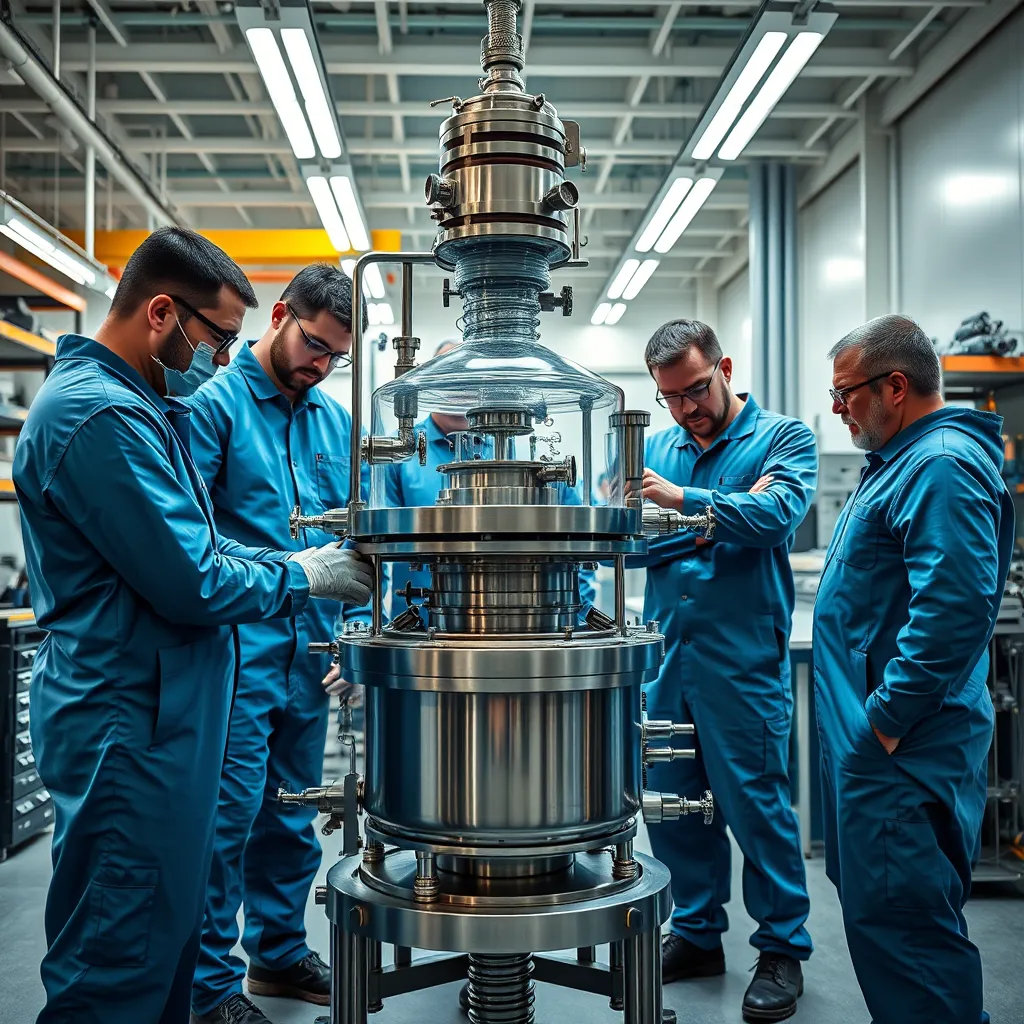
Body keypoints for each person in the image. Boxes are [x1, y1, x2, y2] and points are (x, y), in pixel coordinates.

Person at [13, 228, 372, 1024]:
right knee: (119, 949)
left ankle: (251, 967)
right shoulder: (100, 417)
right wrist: (305, 570)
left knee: (158, 938)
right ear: (163, 312)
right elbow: (195, 574)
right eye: (216, 338)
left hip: (179, 697)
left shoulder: (144, 407)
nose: (218, 358)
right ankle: (217, 986)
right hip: (133, 708)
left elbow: (195, 548)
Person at [813, 315, 1011, 1024]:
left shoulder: (939, 465)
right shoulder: (899, 460)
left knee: (910, 941)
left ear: (895, 386)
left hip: (902, 755)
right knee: (889, 929)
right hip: (880, 757)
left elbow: (953, 611)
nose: (837, 411)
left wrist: (885, 723)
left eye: (845, 395)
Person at [186, 265, 370, 1024]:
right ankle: (208, 986)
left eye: (336, 356)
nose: (320, 364)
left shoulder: (334, 422)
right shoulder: (212, 408)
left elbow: (356, 545)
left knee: (295, 812)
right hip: (236, 651)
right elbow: (187, 542)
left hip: (311, 655)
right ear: (282, 315)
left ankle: (279, 952)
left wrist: (354, 640)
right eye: (315, 345)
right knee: (226, 820)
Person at [636, 319, 816, 1023]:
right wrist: (717, 523)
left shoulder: (782, 439)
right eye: (672, 398)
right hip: (670, 659)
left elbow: (777, 517)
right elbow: (623, 547)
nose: (687, 409)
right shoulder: (655, 448)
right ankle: (698, 934)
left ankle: (781, 949)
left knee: (757, 809)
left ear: (725, 367)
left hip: (745, 664)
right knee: (674, 808)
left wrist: (682, 505)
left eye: (697, 389)